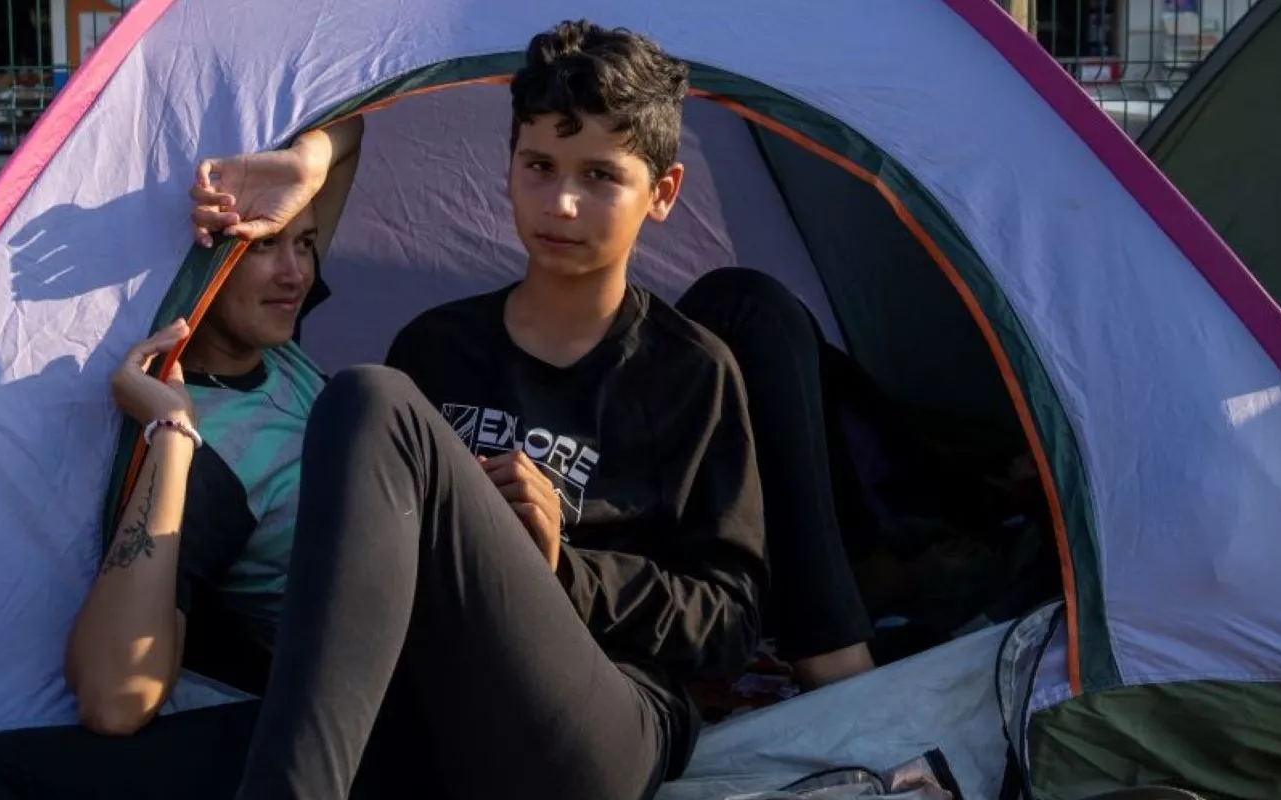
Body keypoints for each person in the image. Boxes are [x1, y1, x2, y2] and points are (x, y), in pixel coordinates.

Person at [182, 20, 875, 800]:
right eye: (539, 166)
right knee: (25, 768)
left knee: (371, 397)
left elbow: (727, 623)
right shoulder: (438, 348)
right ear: (507, 170)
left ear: (663, 193)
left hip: (604, 724)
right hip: (441, 699)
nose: (564, 204)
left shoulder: (690, 373)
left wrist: (562, 568)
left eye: (601, 176)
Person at [0, 193, 355, 798]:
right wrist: (171, 433)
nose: (295, 272)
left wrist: (298, 170)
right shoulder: (215, 460)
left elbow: (350, 135)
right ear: (195, 263)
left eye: (304, 243)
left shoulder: (279, 350)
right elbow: (113, 702)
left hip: (411, 667)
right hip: (357, 711)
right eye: (263, 245)